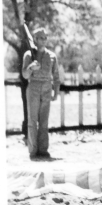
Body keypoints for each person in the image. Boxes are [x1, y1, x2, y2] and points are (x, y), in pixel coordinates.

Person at [21, 28, 60, 160]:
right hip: (33, 86)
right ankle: (33, 150)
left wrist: (56, 92)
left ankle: (43, 150)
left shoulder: (52, 56)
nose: (43, 40)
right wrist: (31, 67)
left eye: (45, 38)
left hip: (47, 87)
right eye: (40, 38)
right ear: (35, 39)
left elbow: (56, 76)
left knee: (44, 120)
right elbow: (25, 75)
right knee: (32, 120)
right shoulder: (29, 55)